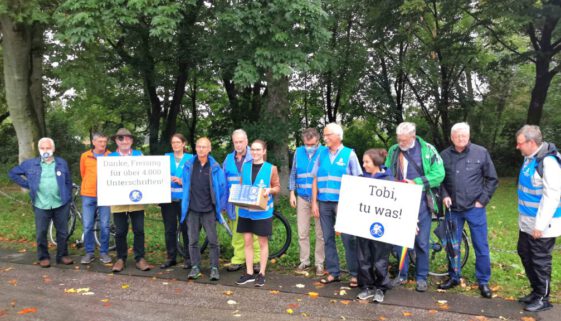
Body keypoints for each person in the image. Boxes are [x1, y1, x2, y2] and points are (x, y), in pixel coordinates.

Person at [439, 122, 498, 298]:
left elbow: (492, 179)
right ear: (451, 137)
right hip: (453, 209)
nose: (460, 138)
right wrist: (444, 195)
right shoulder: (443, 155)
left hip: (475, 208)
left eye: (464, 135)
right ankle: (454, 277)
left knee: (481, 245)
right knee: (452, 245)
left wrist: (483, 200)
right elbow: (439, 180)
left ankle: (483, 281)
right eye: (457, 136)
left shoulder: (481, 152)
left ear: (469, 136)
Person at [385, 122, 444, 292]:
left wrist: (417, 182)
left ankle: (421, 277)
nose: (400, 143)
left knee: (422, 241)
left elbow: (439, 174)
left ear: (413, 136)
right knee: (400, 240)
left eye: (403, 140)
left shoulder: (428, 150)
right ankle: (402, 275)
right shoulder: (394, 150)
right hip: (399, 201)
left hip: (421, 201)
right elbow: (388, 170)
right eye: (399, 139)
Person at [515, 125, 561, 312]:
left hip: (543, 225)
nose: (517, 147)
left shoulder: (549, 162)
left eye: (520, 144)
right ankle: (536, 292)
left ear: (531, 143)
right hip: (527, 222)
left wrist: (540, 225)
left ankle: (543, 298)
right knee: (525, 253)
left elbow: (551, 196)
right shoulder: (529, 158)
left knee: (540, 261)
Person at [8, 137, 74, 268]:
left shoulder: (61, 163)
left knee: (62, 232)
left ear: (53, 149)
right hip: (41, 204)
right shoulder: (30, 164)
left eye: (48, 148)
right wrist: (28, 185)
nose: (45, 150)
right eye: (42, 148)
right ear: (39, 150)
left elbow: (68, 181)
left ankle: (62, 255)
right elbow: (13, 173)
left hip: (60, 203)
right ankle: (43, 257)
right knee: (41, 232)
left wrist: (67, 195)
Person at [311, 123, 362, 288]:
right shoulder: (321, 154)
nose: (325, 138)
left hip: (344, 205)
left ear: (338, 136)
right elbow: (315, 179)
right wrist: (314, 203)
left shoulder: (350, 155)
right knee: (328, 239)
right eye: (324, 135)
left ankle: (355, 274)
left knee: (349, 240)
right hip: (324, 203)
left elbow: (358, 182)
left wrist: (350, 204)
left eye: (328, 135)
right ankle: (334, 272)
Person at [235, 140, 281, 287]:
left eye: (258, 149)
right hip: (245, 210)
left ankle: (261, 273)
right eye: (253, 149)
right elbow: (242, 185)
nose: (255, 152)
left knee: (262, 243)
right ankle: (249, 273)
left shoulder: (271, 168)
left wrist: (270, 190)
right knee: (247, 241)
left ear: (264, 151)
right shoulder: (245, 166)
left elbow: (277, 187)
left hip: (262, 212)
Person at [181, 137, 226, 281]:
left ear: (209, 149)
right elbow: (186, 185)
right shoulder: (189, 165)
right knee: (193, 241)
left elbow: (222, 187)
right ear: (195, 148)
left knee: (213, 241)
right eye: (199, 146)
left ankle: (214, 268)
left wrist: (220, 206)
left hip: (209, 210)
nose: (201, 149)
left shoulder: (215, 167)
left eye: (204, 147)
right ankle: (195, 267)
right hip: (192, 210)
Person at [108, 128, 150, 272]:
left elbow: (148, 174)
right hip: (118, 201)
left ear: (131, 141)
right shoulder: (110, 158)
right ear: (116, 141)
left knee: (139, 230)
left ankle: (139, 258)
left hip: (136, 199)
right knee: (120, 231)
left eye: (127, 138)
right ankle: (121, 258)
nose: (124, 141)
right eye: (121, 138)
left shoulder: (139, 155)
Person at [356, 149, 394, 303]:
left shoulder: (389, 181)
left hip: (381, 227)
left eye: (366, 162)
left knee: (380, 258)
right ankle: (366, 286)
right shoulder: (359, 180)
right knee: (363, 256)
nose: (363, 165)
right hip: (363, 224)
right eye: (363, 161)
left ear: (377, 163)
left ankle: (381, 288)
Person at [289, 128, 326, 276]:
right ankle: (304, 261)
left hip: (319, 198)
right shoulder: (298, 152)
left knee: (320, 233)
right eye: (306, 144)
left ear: (317, 141)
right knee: (302, 231)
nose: (308, 147)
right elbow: (293, 173)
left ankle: (319, 263)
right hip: (302, 196)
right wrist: (292, 192)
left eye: (311, 144)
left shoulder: (324, 152)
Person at [223, 129, 260, 273]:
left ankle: (256, 260)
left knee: (254, 231)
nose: (238, 145)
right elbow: (224, 182)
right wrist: (224, 202)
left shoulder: (255, 155)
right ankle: (238, 259)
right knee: (237, 231)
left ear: (246, 141)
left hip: (251, 200)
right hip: (233, 201)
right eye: (235, 142)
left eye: (241, 141)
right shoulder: (228, 159)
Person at [160, 133, 193, 269]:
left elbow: (195, 178)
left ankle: (188, 257)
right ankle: (171, 257)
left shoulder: (191, 158)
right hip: (168, 199)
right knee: (169, 229)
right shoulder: (165, 158)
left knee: (186, 228)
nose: (175, 145)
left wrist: (182, 181)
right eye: (173, 142)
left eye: (178, 142)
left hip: (184, 199)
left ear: (184, 144)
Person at [79, 132, 112, 265]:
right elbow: (83, 173)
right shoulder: (85, 156)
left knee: (105, 226)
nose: (102, 144)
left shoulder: (111, 156)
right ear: (93, 142)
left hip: (105, 195)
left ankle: (104, 252)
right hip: (88, 195)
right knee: (87, 226)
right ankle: (89, 253)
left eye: (104, 141)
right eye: (100, 141)